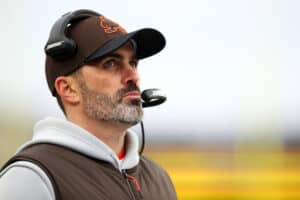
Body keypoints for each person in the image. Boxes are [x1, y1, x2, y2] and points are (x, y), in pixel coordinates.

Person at [0, 9, 177, 200]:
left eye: (133, 63)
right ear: (68, 89)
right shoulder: (31, 178)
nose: (133, 76)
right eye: (110, 64)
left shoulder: (159, 178)